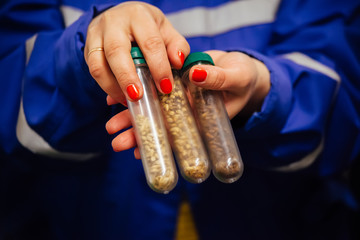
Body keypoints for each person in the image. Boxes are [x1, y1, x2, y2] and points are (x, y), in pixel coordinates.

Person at [0, 0, 359, 239]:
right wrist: (85, 60)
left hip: (276, 222)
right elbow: (10, 97)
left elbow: (343, 95)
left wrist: (266, 91)